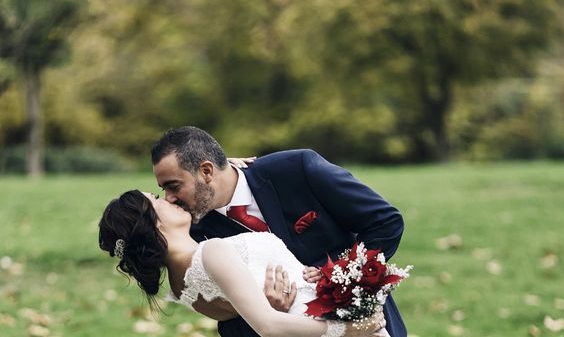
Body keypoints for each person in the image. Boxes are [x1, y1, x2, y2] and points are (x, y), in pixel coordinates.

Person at [150, 126, 407, 337]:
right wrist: (265, 309)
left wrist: (338, 274)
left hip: (368, 325)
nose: (170, 199)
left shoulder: (296, 169)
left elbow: (385, 222)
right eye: (164, 190)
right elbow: (227, 320)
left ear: (207, 171)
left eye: (174, 186)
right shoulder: (194, 237)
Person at [99, 189, 389, 337]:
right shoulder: (212, 251)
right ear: (152, 223)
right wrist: (347, 330)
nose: (170, 198)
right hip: (331, 328)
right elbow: (267, 325)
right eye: (157, 199)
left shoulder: (181, 288)